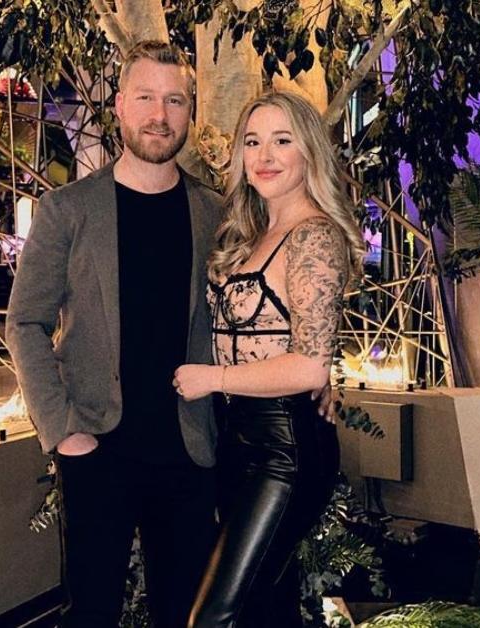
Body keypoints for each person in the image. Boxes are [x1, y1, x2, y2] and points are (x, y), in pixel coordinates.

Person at [6, 41, 223, 628]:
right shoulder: (68, 210)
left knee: (187, 616)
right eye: (147, 98)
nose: (160, 114)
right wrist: (63, 432)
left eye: (174, 100)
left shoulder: (215, 214)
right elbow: (25, 321)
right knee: (92, 614)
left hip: (189, 451)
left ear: (189, 110)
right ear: (121, 106)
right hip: (98, 447)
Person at [175, 91, 366, 627]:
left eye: (282, 141)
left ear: (308, 151)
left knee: (214, 617)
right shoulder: (252, 233)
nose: (264, 155)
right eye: (253, 141)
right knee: (265, 609)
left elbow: (309, 367)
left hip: (284, 450)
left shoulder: (313, 238)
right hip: (238, 440)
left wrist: (213, 378)